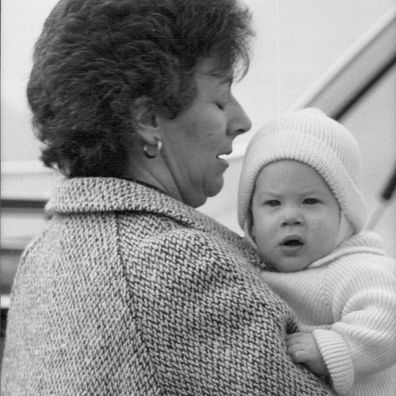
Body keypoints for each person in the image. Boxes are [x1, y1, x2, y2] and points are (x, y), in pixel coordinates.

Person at [0, 1, 335, 395]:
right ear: (148, 119)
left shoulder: (45, 254)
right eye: (221, 99)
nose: (242, 121)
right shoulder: (176, 265)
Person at [238, 108, 396, 396]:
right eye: (273, 203)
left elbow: (389, 314)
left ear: (344, 212)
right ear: (250, 217)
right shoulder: (244, 268)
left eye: (310, 201)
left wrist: (335, 348)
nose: (291, 216)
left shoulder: (355, 267)